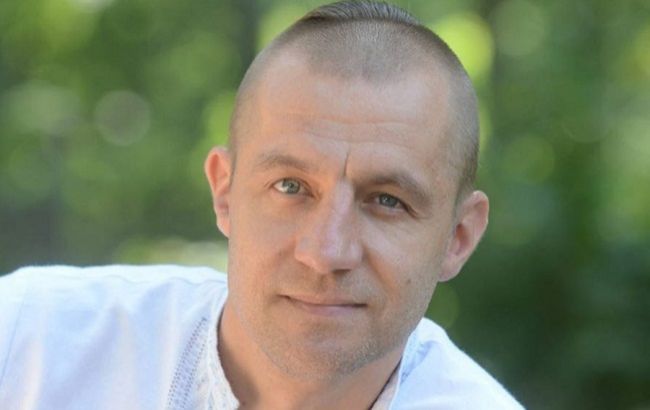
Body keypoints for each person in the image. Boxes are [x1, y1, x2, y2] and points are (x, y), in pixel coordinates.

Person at [0, 1, 523, 409]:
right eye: (291, 187)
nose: (326, 252)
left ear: (458, 237)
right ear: (224, 192)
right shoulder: (30, 343)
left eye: (387, 200)